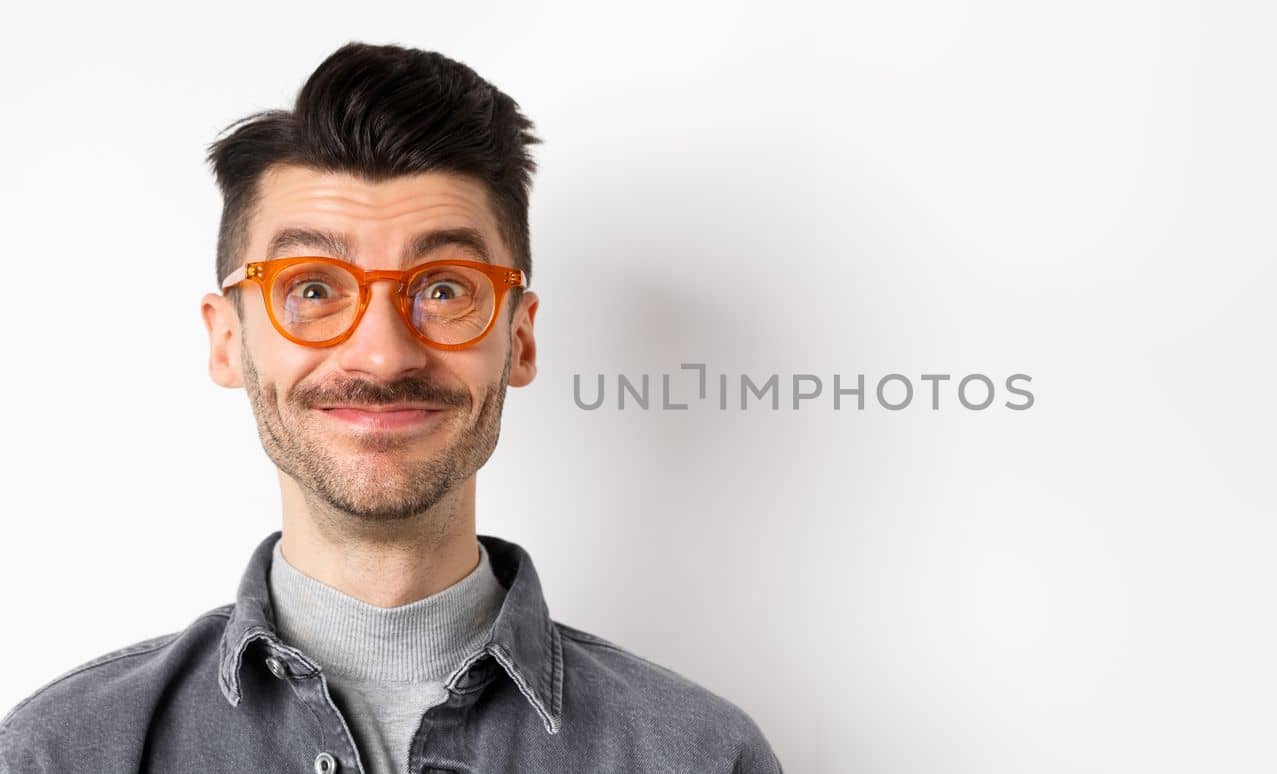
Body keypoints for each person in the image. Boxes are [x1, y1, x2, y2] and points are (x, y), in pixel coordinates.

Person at [0, 42, 782, 774]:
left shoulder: (702, 758)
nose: (383, 354)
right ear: (227, 342)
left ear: (521, 340)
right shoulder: (60, 755)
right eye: (311, 288)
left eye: (444, 289)